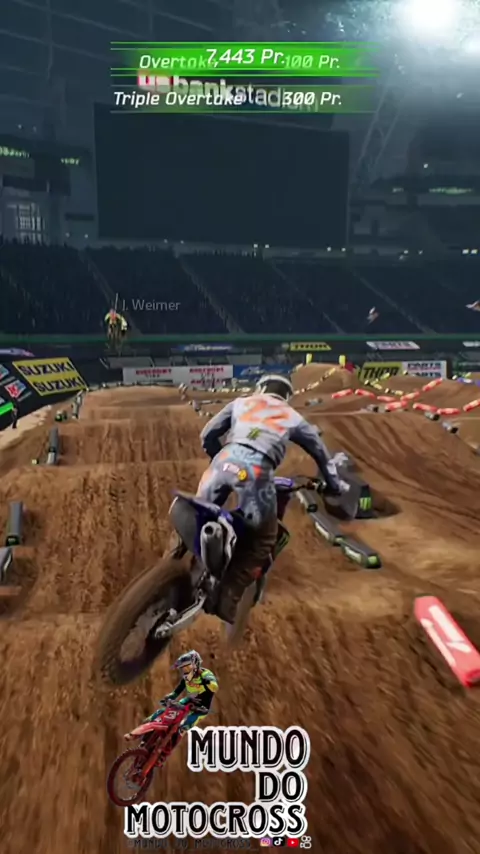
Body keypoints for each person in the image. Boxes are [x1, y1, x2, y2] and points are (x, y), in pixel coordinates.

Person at [192, 373, 350, 624]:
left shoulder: (241, 402)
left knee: (196, 514)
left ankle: (175, 557)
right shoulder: (293, 417)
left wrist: (218, 458)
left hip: (222, 462)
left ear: (261, 388)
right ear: (286, 396)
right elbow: (322, 455)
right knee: (264, 539)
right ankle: (228, 596)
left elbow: (206, 435)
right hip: (255, 472)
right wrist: (334, 486)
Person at [124, 650, 218, 745]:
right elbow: (178, 690)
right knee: (162, 713)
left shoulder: (206, 675)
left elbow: (214, 686)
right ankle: (143, 738)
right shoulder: (186, 679)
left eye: (187, 667)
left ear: (195, 665)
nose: (185, 671)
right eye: (183, 668)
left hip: (202, 707)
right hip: (189, 700)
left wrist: (208, 682)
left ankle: (170, 744)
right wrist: (171, 697)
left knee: (185, 726)